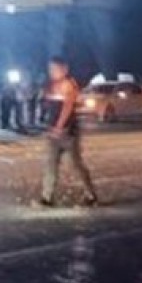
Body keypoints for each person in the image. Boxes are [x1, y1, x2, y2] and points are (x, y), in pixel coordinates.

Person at [38, 55, 98, 207]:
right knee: (50, 165)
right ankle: (47, 197)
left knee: (76, 164)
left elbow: (67, 107)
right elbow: (47, 106)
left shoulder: (69, 85)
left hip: (68, 133)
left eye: (55, 69)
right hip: (53, 132)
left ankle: (91, 194)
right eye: (50, 69)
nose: (52, 72)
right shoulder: (50, 85)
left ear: (65, 69)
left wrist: (59, 126)